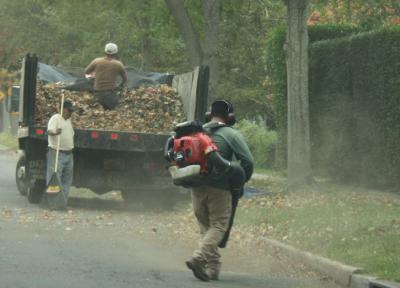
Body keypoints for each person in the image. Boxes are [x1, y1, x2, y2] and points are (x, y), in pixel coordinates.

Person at [186, 100, 254, 281]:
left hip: (196, 186)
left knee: (207, 227)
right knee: (218, 226)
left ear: (210, 114)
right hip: (220, 188)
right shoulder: (231, 134)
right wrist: (240, 181)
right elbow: (248, 162)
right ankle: (198, 258)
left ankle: (213, 268)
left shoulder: (196, 132)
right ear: (230, 117)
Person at [44, 100, 75, 210]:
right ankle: (53, 204)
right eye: (69, 111)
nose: (70, 113)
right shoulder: (56, 118)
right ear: (63, 109)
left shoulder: (69, 120)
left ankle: (62, 203)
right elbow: (48, 132)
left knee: (67, 181)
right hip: (57, 152)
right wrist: (55, 132)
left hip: (68, 154)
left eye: (71, 111)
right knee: (55, 179)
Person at [84, 43, 128, 109]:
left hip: (98, 93)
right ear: (116, 53)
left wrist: (95, 76)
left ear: (105, 51)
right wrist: (120, 85)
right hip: (111, 94)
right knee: (111, 115)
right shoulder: (118, 64)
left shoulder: (96, 61)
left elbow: (86, 72)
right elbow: (125, 79)